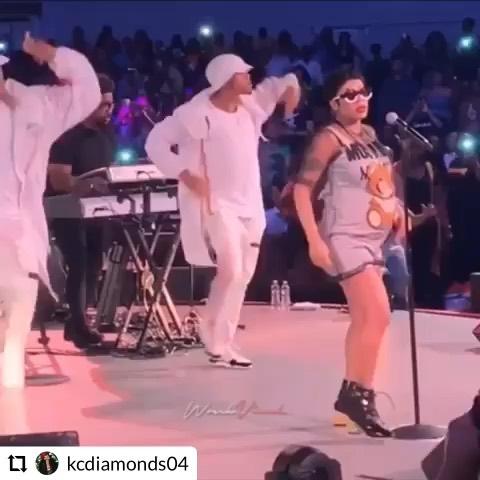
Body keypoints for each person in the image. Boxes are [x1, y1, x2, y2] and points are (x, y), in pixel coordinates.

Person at [145, 54, 300, 368]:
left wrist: (290, 95)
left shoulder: (251, 107)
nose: (250, 77)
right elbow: (155, 142)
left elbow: (282, 84)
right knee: (230, 268)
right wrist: (184, 173)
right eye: (243, 73)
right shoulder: (194, 115)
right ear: (228, 79)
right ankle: (212, 333)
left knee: (243, 275)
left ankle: (223, 341)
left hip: (250, 204)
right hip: (218, 204)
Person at [294, 70, 403, 436]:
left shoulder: (370, 136)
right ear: (334, 103)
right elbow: (301, 189)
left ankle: (352, 394)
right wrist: (314, 240)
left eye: (363, 91)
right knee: (379, 313)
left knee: (365, 318)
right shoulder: (329, 138)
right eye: (350, 94)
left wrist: (397, 207)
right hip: (345, 237)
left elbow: (379, 181)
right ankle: (361, 393)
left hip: (373, 239)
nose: (360, 99)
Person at [0, 33, 100, 389]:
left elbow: (87, 92)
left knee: (19, 301)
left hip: (20, 227)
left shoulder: (35, 103)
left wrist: (52, 55)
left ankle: (10, 386)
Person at [47, 74, 115, 348]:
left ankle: (79, 321)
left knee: (94, 265)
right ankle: (78, 324)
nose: (109, 110)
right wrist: (86, 185)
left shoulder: (107, 135)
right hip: (67, 209)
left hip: (98, 210)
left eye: (111, 104)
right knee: (79, 264)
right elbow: (58, 179)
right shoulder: (66, 136)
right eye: (104, 105)